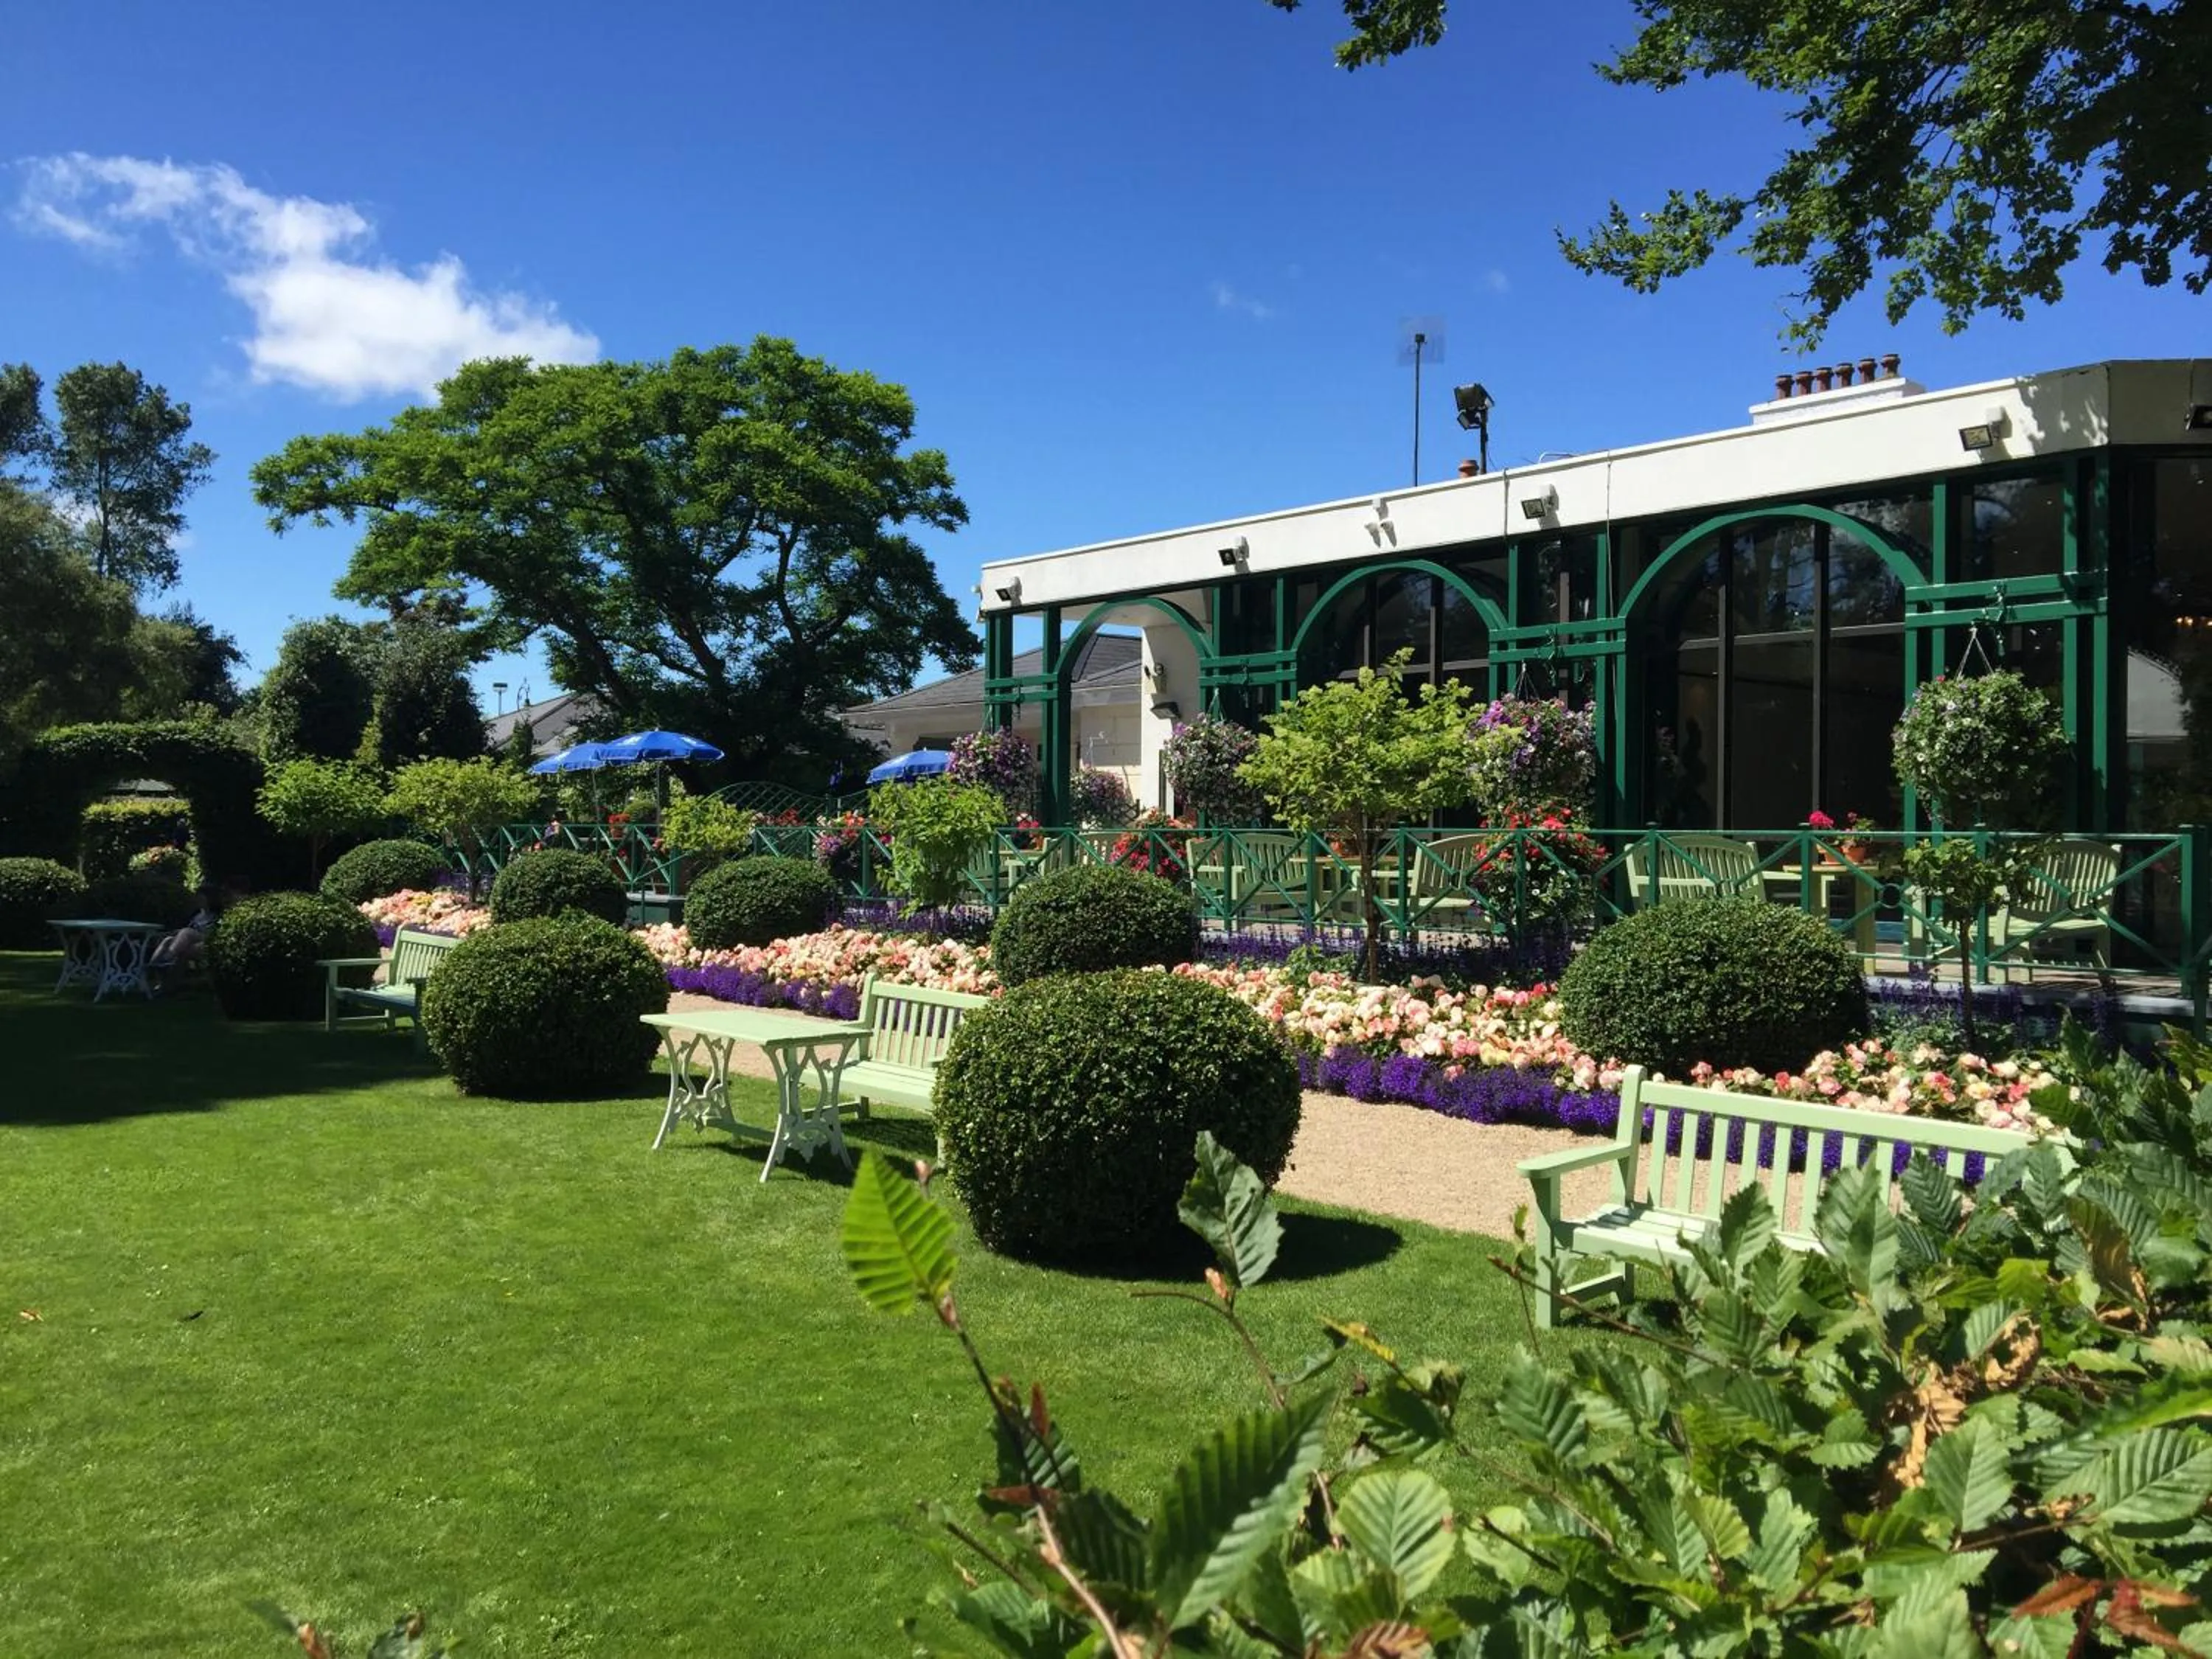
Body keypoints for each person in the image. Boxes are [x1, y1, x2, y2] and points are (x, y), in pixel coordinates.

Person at [148, 883, 228, 978]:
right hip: (192, 941)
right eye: (198, 898)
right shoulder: (196, 915)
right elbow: (182, 932)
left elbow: (219, 933)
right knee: (168, 940)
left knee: (187, 933)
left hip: (208, 940)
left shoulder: (218, 916)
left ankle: (168, 958)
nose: (198, 900)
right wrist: (167, 934)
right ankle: (154, 966)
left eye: (202, 898)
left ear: (210, 899)